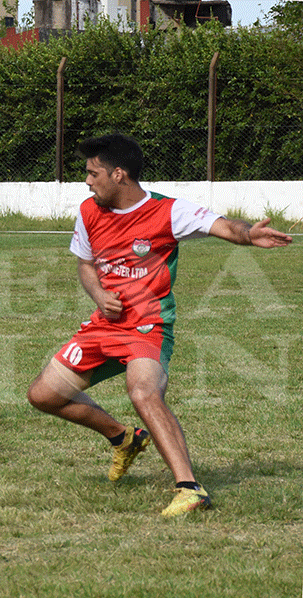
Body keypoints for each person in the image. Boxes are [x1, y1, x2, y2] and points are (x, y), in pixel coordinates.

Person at [25, 133, 292, 517]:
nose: (87, 181)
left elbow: (225, 227)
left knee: (144, 392)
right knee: (42, 396)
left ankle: (189, 488)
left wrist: (249, 234)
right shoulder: (88, 212)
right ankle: (123, 437)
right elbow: (85, 265)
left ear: (119, 174)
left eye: (92, 172)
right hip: (104, 325)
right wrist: (99, 296)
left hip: (147, 327)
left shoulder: (168, 212)